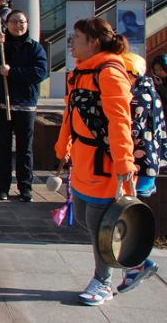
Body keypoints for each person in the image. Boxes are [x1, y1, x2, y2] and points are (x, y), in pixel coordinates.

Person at [55, 17, 134, 306]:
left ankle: (103, 282)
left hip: (105, 165)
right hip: (83, 162)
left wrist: (125, 164)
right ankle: (137, 264)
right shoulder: (80, 72)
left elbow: (120, 121)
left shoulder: (110, 72)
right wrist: (62, 145)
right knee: (89, 221)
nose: (71, 42)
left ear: (94, 41)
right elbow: (70, 113)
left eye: (77, 37)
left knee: (100, 225)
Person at [0, 10, 48, 202]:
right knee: (3, 147)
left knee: (25, 148)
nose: (19, 25)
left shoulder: (34, 48)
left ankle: (25, 188)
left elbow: (40, 72)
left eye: (22, 22)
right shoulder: (0, 45)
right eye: (14, 22)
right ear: (7, 24)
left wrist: (13, 72)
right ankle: (2, 188)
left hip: (25, 104)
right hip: (1, 102)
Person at [114, 52, 164, 293]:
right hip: (149, 167)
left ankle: (138, 264)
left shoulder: (135, 98)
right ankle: (137, 265)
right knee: (127, 218)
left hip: (138, 169)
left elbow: (129, 134)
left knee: (125, 220)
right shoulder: (150, 91)